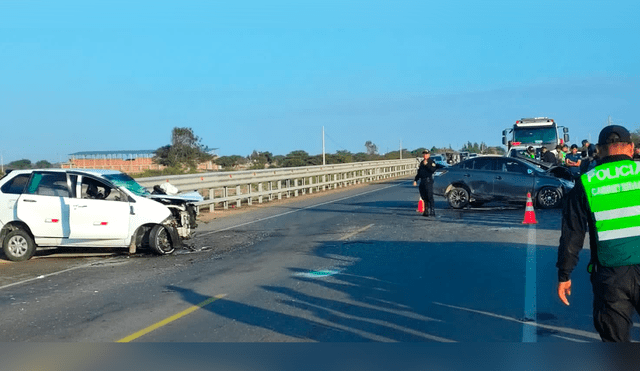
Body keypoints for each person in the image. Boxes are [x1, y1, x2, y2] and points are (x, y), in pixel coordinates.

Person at [556, 125, 640, 342]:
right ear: (631, 148)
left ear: (600, 150)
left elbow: (572, 233)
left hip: (611, 275)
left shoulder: (586, 183)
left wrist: (564, 274)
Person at [413, 149, 437, 217]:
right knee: (424, 197)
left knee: (429, 196)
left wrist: (427, 165)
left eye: (426, 154)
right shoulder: (421, 162)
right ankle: (426, 211)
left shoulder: (431, 162)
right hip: (422, 181)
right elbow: (419, 173)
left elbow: (432, 170)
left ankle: (432, 210)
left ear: (429, 155)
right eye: (424, 154)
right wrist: (415, 180)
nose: (425, 155)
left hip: (428, 181)